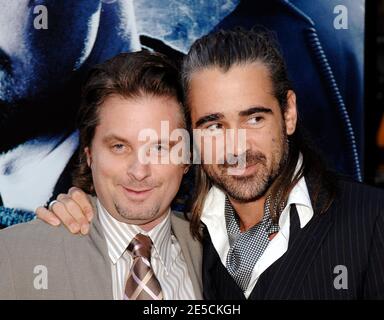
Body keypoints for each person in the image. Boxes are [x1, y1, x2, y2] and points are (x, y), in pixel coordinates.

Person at [38, 28, 384, 299]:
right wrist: (81, 207)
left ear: (289, 113)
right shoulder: (187, 230)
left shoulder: (372, 222)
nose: (236, 148)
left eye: (254, 119)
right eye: (214, 125)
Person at [0, 51, 202, 299]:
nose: (139, 171)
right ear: (89, 155)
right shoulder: (14, 256)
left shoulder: (219, 255)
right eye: (119, 147)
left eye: (159, 149)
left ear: (186, 159)